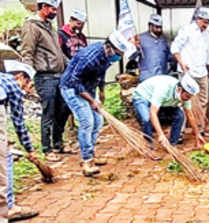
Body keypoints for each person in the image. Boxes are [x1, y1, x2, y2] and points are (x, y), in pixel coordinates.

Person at [59, 30, 128, 177]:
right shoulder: (89, 57)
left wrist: (101, 91)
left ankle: (91, 153)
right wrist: (91, 100)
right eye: (118, 53)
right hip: (71, 89)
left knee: (98, 121)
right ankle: (86, 161)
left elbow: (100, 73)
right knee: (87, 122)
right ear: (109, 47)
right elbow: (74, 81)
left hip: (88, 87)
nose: (118, 57)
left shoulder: (107, 56)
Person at [20, 0, 72, 162]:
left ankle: (58, 143)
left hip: (59, 75)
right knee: (48, 112)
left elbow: (57, 52)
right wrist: (26, 76)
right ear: (42, 8)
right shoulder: (31, 26)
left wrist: (71, 65)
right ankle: (47, 149)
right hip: (45, 77)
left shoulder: (50, 26)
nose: (54, 11)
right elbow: (27, 52)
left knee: (63, 109)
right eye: (51, 8)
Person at [1, 60, 39, 221]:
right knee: (2, 164)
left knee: (6, 154)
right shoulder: (11, 83)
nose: (27, 87)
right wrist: (30, 149)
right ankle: (6, 210)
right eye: (28, 82)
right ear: (20, 77)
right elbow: (19, 122)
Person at [171, 7, 209, 136]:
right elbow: (174, 47)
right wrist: (181, 63)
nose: (206, 25)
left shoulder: (206, 34)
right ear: (198, 19)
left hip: (202, 72)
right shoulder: (187, 30)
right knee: (184, 101)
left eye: (208, 22)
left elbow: (208, 53)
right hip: (188, 72)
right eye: (204, 22)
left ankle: (200, 128)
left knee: (203, 101)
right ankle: (179, 132)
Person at [132, 75, 206, 148]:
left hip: (161, 102)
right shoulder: (164, 89)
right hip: (143, 97)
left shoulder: (186, 96)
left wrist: (197, 134)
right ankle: (149, 143)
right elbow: (153, 112)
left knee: (179, 116)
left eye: (190, 97)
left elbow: (190, 115)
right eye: (187, 96)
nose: (188, 99)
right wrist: (161, 134)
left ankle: (173, 144)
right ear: (179, 90)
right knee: (147, 118)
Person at [131, 14, 173, 82]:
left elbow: (170, 58)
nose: (159, 30)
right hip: (146, 79)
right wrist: (136, 48)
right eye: (157, 27)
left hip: (162, 78)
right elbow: (132, 57)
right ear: (150, 25)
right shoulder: (140, 38)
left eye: (160, 27)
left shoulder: (164, 40)